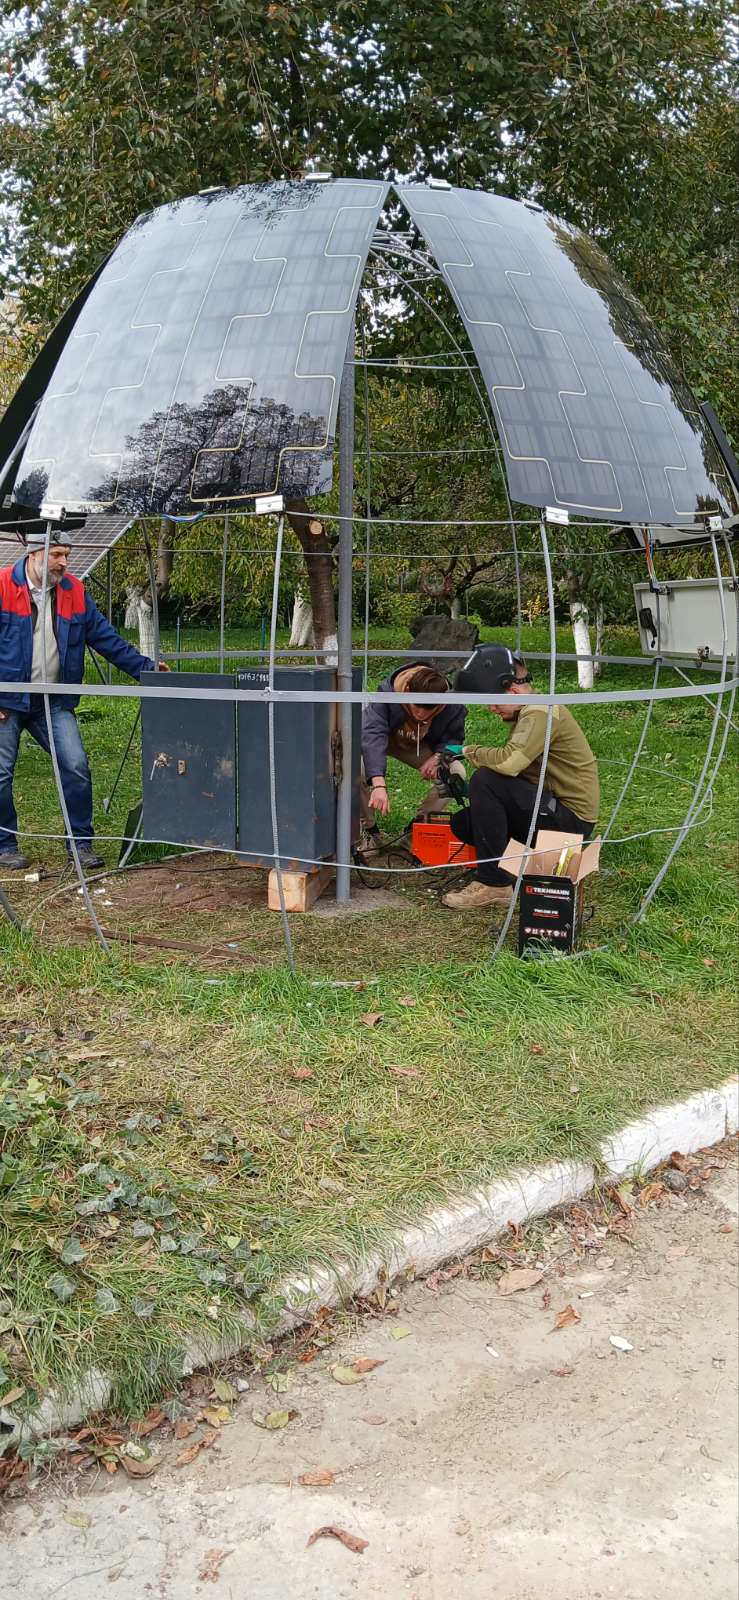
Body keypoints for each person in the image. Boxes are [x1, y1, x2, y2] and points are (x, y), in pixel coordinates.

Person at [0, 531, 169, 871]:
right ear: (34, 553)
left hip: (54, 700)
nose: (65, 562)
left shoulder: (74, 592)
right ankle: (5, 845)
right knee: (0, 774)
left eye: (67, 554)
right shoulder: (3, 587)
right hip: (7, 701)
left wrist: (147, 670)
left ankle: (80, 844)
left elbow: (106, 638)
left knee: (76, 766)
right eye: (57, 555)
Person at [441, 644, 599, 910]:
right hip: (553, 808)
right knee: (465, 822)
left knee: (485, 779)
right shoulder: (530, 710)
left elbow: (510, 762)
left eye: (493, 701)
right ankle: (514, 869)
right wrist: (475, 795)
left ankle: (494, 884)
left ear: (513, 691)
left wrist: (468, 752)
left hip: (571, 821)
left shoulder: (539, 712)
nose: (491, 708)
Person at [360, 662, 466, 854]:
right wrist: (378, 784)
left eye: (430, 709)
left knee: (455, 772)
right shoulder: (388, 692)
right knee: (355, 768)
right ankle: (369, 831)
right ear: (408, 690)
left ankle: (416, 831)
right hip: (382, 741)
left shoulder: (452, 703)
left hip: (419, 746)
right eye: (417, 706)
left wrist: (438, 756)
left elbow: (454, 737)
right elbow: (373, 734)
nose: (421, 714)